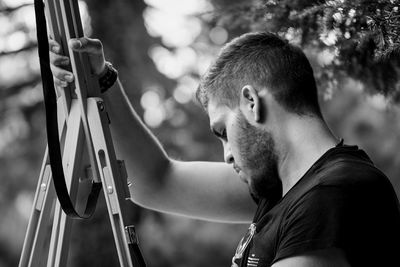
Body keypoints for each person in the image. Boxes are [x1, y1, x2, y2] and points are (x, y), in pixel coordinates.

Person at [49, 32, 400, 267]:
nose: (227, 154)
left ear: (250, 102)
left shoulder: (334, 194)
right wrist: (102, 81)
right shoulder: (284, 190)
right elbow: (157, 181)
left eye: (222, 131)